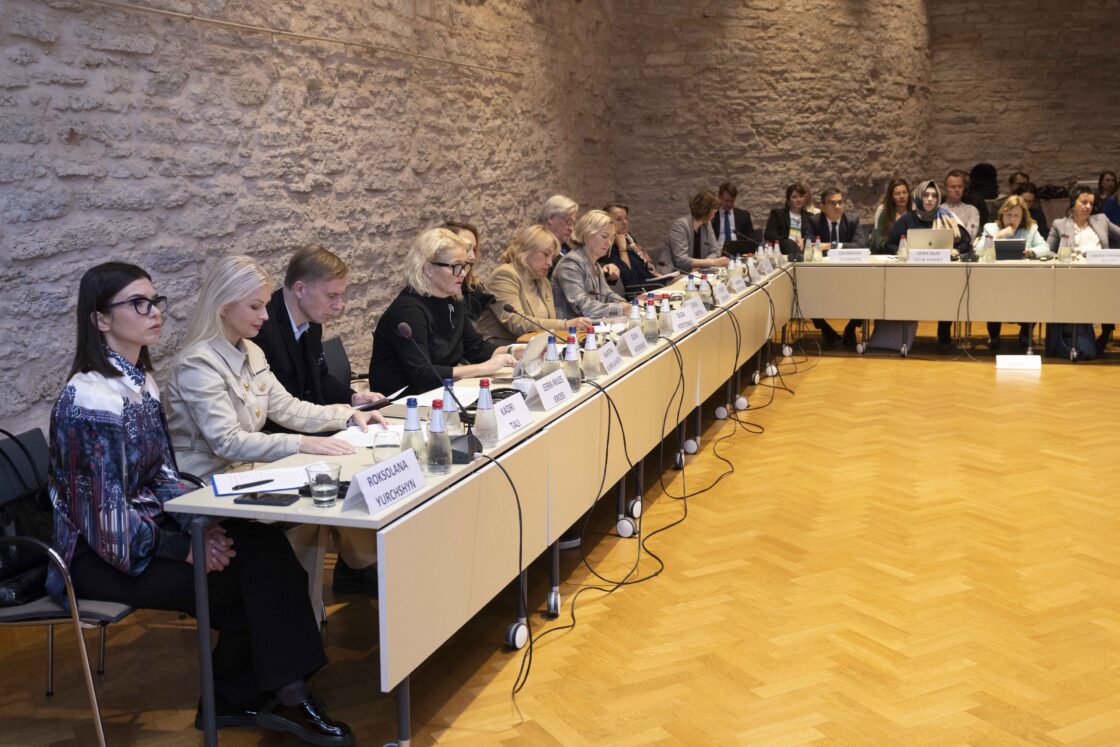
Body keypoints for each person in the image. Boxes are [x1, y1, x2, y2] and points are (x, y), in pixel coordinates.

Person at [50, 262, 354, 745]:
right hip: (96, 558)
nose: (154, 312)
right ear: (100, 319)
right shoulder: (90, 399)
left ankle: (247, 696)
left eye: (155, 301)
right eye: (138, 304)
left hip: (147, 535)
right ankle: (276, 695)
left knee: (262, 550)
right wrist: (186, 548)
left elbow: (164, 476)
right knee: (244, 578)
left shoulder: (138, 381)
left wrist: (201, 527)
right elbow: (105, 523)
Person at [166, 256, 383, 481]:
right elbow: (227, 442)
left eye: (265, 305)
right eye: (255, 306)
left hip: (247, 471)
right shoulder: (198, 363)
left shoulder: (251, 351)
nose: (265, 315)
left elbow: (286, 407)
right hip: (206, 483)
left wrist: (348, 416)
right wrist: (302, 443)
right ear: (224, 306)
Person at [252, 246, 385, 595]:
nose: (339, 306)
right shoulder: (262, 330)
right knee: (346, 475)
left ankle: (359, 564)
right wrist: (333, 422)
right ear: (300, 289)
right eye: (332, 296)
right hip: (278, 438)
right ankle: (359, 565)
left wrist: (353, 399)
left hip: (308, 424)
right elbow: (278, 408)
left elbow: (319, 379)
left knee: (368, 464)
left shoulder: (309, 323)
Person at [369, 228, 518, 395]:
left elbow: (475, 349)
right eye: (456, 266)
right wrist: (482, 368)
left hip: (438, 394)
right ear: (428, 269)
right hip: (404, 402)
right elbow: (423, 374)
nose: (463, 273)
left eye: (464, 266)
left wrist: (515, 351)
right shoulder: (408, 312)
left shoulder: (450, 301)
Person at [887, 180, 972, 347]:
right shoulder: (907, 219)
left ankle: (944, 330)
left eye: (934, 196)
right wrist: (903, 251)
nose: (930, 199)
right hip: (913, 275)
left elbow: (966, 242)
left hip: (942, 273)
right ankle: (907, 334)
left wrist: (956, 250)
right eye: (926, 195)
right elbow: (889, 244)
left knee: (948, 293)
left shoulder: (947, 217)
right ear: (919, 197)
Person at [476, 224, 591, 346]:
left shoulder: (543, 281)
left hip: (537, 347)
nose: (550, 263)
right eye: (546, 254)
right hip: (503, 349)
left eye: (552, 257)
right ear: (527, 250)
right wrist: (564, 325)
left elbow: (549, 323)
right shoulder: (504, 275)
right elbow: (517, 322)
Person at [1047, 186, 1120, 352]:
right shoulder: (1060, 224)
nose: (1088, 206)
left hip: (1102, 275)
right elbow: (1048, 250)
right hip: (1072, 277)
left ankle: (1106, 330)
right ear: (1074, 203)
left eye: (1091, 203)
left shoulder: (1101, 220)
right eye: (1084, 202)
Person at [972, 196, 1048, 349]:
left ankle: (1025, 334)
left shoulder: (1031, 229)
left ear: (1022, 217)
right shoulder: (991, 228)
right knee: (993, 299)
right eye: (1008, 215)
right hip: (996, 280)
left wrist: (1031, 251)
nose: (1012, 219)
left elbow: (1045, 248)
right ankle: (994, 336)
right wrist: (1000, 235)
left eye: (1016, 215)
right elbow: (978, 250)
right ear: (1002, 214)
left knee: (1036, 297)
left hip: (1024, 281)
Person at [810, 187, 867, 345]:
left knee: (866, 288)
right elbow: (810, 245)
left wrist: (832, 245)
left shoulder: (852, 220)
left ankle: (852, 327)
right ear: (823, 207)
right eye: (832, 203)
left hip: (850, 272)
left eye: (840, 202)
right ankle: (824, 328)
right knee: (806, 288)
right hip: (821, 273)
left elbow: (860, 245)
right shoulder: (814, 222)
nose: (837, 206)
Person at [552, 209, 630, 319]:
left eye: (612, 238)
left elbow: (607, 294)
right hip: (571, 328)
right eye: (604, 236)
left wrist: (624, 304)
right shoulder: (570, 263)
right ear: (587, 234)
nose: (609, 243)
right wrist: (621, 309)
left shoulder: (595, 264)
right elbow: (582, 306)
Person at [664, 190, 731, 272]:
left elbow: (715, 252)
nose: (714, 215)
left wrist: (701, 267)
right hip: (673, 274)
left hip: (696, 272)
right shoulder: (680, 226)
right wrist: (712, 262)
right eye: (714, 211)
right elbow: (681, 261)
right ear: (705, 210)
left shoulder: (707, 225)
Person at [442, 220, 496, 322]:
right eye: (467, 248)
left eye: (474, 249)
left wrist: (460, 297)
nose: (473, 257)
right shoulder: (430, 293)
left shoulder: (473, 288)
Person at [602, 202, 659, 291]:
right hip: (642, 290)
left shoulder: (628, 239)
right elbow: (629, 281)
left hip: (654, 282)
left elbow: (648, 264)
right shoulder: (608, 248)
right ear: (607, 223)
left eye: (626, 218)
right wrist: (622, 249)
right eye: (619, 219)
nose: (625, 222)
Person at [764, 182, 815, 256]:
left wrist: (804, 240)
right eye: (794, 197)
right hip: (782, 250)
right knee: (789, 243)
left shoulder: (809, 216)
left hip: (803, 249)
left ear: (804, 198)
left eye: (801, 196)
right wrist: (789, 241)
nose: (798, 199)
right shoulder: (778, 214)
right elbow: (769, 235)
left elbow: (812, 235)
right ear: (788, 200)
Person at [870, 179, 910, 254]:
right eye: (897, 194)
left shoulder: (914, 213)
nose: (902, 196)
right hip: (889, 254)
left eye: (904, 192)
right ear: (892, 197)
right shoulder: (884, 213)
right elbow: (879, 241)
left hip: (912, 255)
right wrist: (896, 250)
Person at [711, 182, 754, 247]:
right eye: (726, 200)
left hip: (738, 250)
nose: (729, 204)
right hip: (717, 250)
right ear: (720, 197)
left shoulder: (744, 215)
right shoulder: (712, 215)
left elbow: (751, 238)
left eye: (732, 201)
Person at [942, 169, 981, 239]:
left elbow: (970, 236)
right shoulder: (937, 211)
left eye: (960, 186)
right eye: (953, 187)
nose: (957, 190)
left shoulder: (972, 210)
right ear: (945, 189)